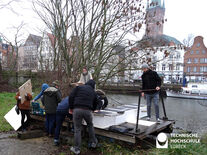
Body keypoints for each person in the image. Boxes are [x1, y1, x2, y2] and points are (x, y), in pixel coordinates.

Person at [69, 80, 101, 154]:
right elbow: (98, 101)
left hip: (77, 109)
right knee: (90, 125)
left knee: (77, 129)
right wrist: (95, 109)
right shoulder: (93, 92)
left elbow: (71, 96)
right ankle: (94, 143)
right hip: (88, 110)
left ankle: (77, 149)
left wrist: (71, 108)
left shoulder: (79, 87)